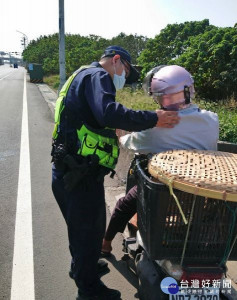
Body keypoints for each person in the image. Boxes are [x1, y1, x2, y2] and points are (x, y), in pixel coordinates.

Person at [51, 46, 180, 300]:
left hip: (68, 171)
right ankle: (89, 290)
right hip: (80, 175)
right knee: (89, 231)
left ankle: (81, 268)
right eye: (126, 71)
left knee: (80, 229)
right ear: (117, 60)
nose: (122, 78)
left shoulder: (80, 74)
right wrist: (154, 118)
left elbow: (87, 117)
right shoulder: (98, 76)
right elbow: (108, 112)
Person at [101, 64, 219, 256]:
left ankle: (105, 243)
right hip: (201, 191)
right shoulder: (212, 120)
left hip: (165, 191)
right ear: (189, 90)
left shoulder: (156, 129)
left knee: (124, 205)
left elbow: (129, 143)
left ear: (161, 96)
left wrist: (121, 134)